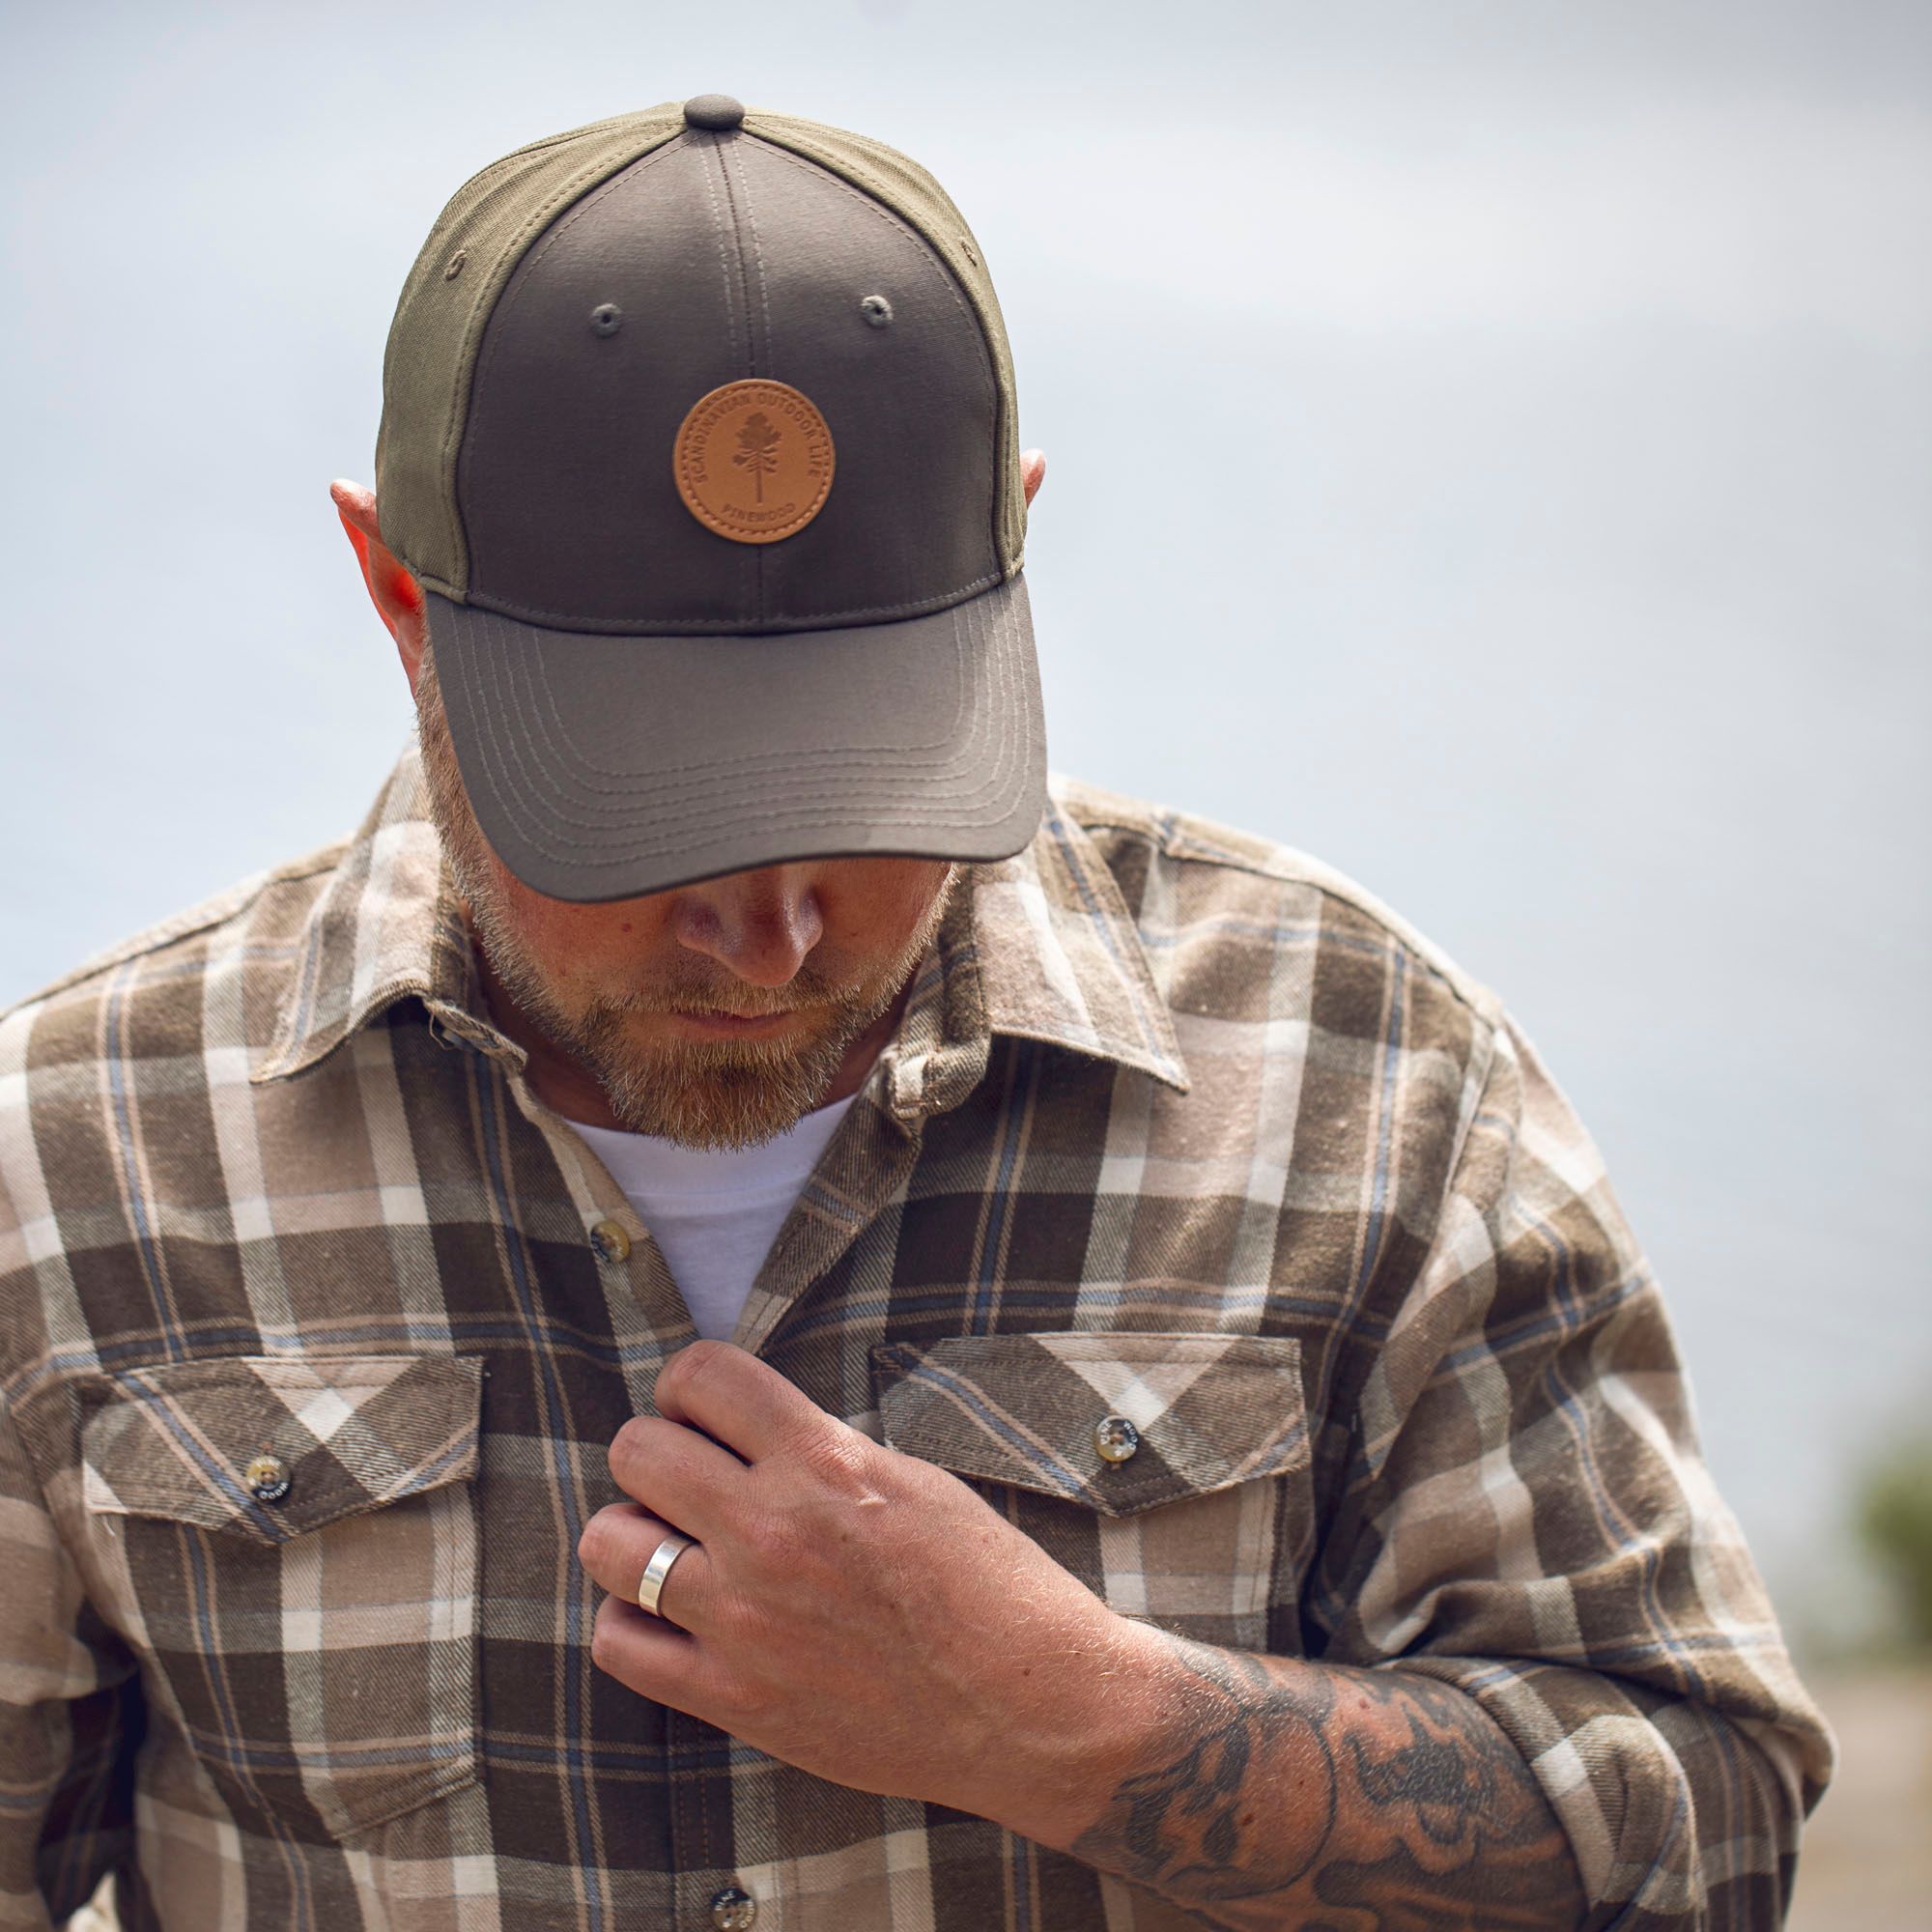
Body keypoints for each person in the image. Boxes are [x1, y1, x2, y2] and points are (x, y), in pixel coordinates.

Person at [0, 94, 1832, 1932]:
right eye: (639, 812)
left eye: (865, 785)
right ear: (398, 594)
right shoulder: (74, 1160)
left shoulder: (1367, 1075)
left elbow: (1712, 1829)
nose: (773, 939)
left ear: (1014, 553)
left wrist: (1075, 1721)